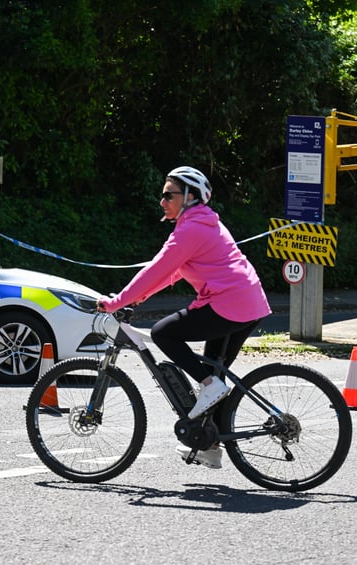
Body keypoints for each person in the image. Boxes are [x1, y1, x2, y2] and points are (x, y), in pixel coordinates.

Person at [97, 166, 270, 468]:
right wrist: (138, 298)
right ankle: (210, 446)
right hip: (247, 303)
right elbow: (172, 273)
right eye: (162, 196)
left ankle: (210, 387)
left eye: (168, 195)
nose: (162, 201)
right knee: (214, 382)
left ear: (189, 196)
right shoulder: (202, 223)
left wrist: (117, 302)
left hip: (228, 303)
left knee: (164, 333)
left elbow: (156, 269)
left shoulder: (191, 229)